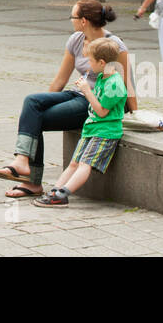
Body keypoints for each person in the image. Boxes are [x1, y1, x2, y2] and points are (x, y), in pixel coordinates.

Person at [0, 0, 137, 198]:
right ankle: (22, 161)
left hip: (94, 101)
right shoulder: (76, 40)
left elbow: (128, 83)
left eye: (73, 17)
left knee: (38, 118)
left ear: (84, 21)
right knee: (32, 102)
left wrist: (135, 114)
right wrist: (43, 106)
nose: (71, 20)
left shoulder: (114, 45)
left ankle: (32, 183)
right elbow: (61, 79)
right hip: (77, 93)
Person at [33, 38, 128, 206]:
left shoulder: (115, 84)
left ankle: (63, 194)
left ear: (102, 62)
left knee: (85, 164)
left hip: (105, 131)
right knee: (74, 163)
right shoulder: (102, 77)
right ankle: (56, 189)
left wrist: (86, 90)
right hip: (91, 128)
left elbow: (102, 111)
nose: (88, 65)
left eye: (90, 61)